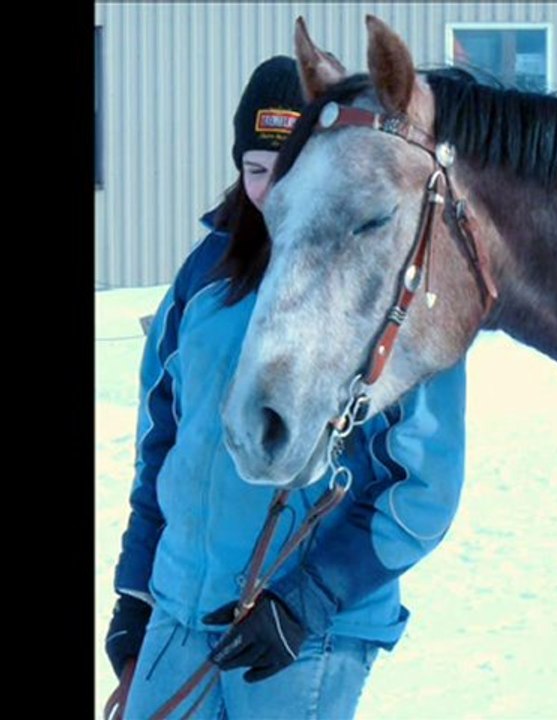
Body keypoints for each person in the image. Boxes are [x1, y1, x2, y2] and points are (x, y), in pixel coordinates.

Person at [104, 55, 467, 719]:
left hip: (301, 634)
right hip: (178, 617)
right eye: (255, 171)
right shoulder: (203, 276)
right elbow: (164, 448)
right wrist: (136, 598)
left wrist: (309, 599)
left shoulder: (388, 285)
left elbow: (424, 488)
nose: (271, 196)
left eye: (292, 173)